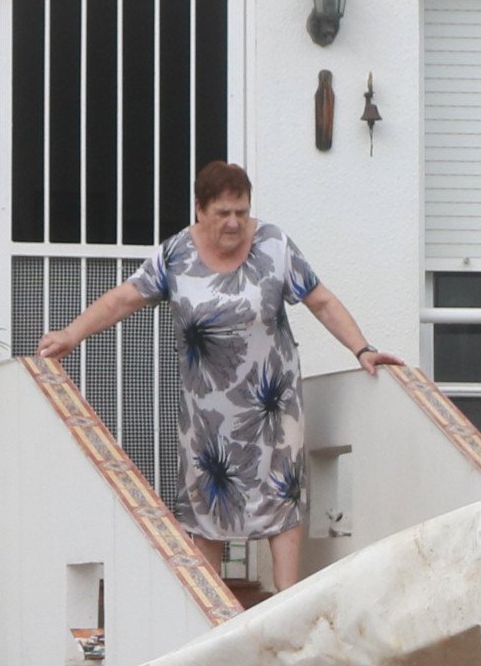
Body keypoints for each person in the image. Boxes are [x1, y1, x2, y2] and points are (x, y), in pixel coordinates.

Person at [30, 161, 395, 592]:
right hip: (206, 414)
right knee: (207, 510)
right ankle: (212, 614)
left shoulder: (275, 245)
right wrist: (72, 334)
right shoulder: (176, 255)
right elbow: (124, 299)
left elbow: (321, 301)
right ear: (199, 209)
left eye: (241, 211)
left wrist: (363, 349)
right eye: (223, 212)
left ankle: (285, 606)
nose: (234, 222)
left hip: (272, 405)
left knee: (281, 499)